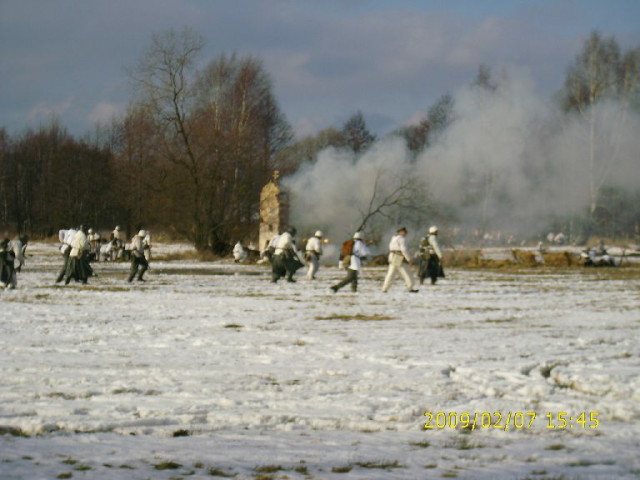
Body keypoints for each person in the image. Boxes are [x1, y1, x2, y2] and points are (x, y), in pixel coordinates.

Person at [382, 227, 418, 293]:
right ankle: (410, 287)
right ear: (401, 232)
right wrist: (409, 259)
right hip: (398, 257)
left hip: (392, 256)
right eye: (404, 232)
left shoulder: (394, 238)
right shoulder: (401, 239)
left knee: (390, 274)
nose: (405, 234)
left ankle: (385, 288)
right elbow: (404, 250)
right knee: (407, 273)